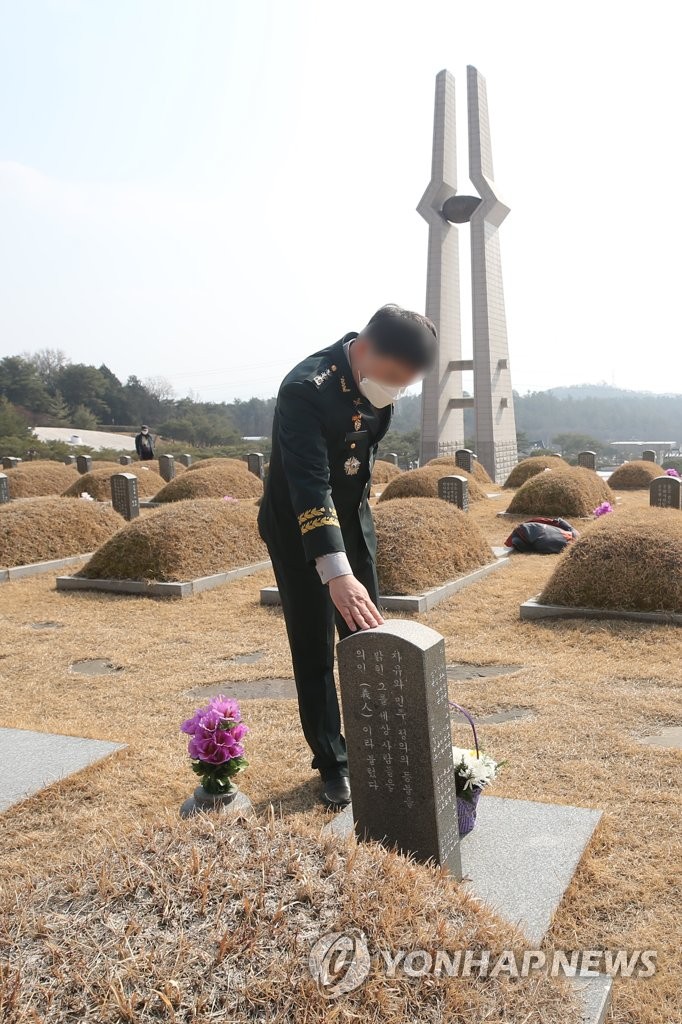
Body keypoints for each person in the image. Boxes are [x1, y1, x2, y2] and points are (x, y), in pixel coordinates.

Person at [257, 305, 437, 808]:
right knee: (314, 649)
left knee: (368, 640)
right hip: (299, 532)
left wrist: (352, 553)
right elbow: (310, 486)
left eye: (407, 382)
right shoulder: (304, 390)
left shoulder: (378, 386)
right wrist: (335, 572)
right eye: (395, 377)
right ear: (368, 351)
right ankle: (332, 762)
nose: (396, 390)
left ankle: (377, 748)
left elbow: (358, 466)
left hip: (353, 525)